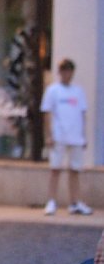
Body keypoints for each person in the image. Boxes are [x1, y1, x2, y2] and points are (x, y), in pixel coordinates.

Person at [41, 58, 92, 215]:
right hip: (59, 136)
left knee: (75, 169)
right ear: (60, 72)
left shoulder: (78, 91)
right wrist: (48, 135)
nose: (66, 74)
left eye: (69, 71)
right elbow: (47, 114)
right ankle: (51, 201)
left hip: (75, 136)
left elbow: (82, 114)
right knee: (55, 169)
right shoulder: (53, 90)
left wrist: (83, 136)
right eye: (64, 71)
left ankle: (75, 202)